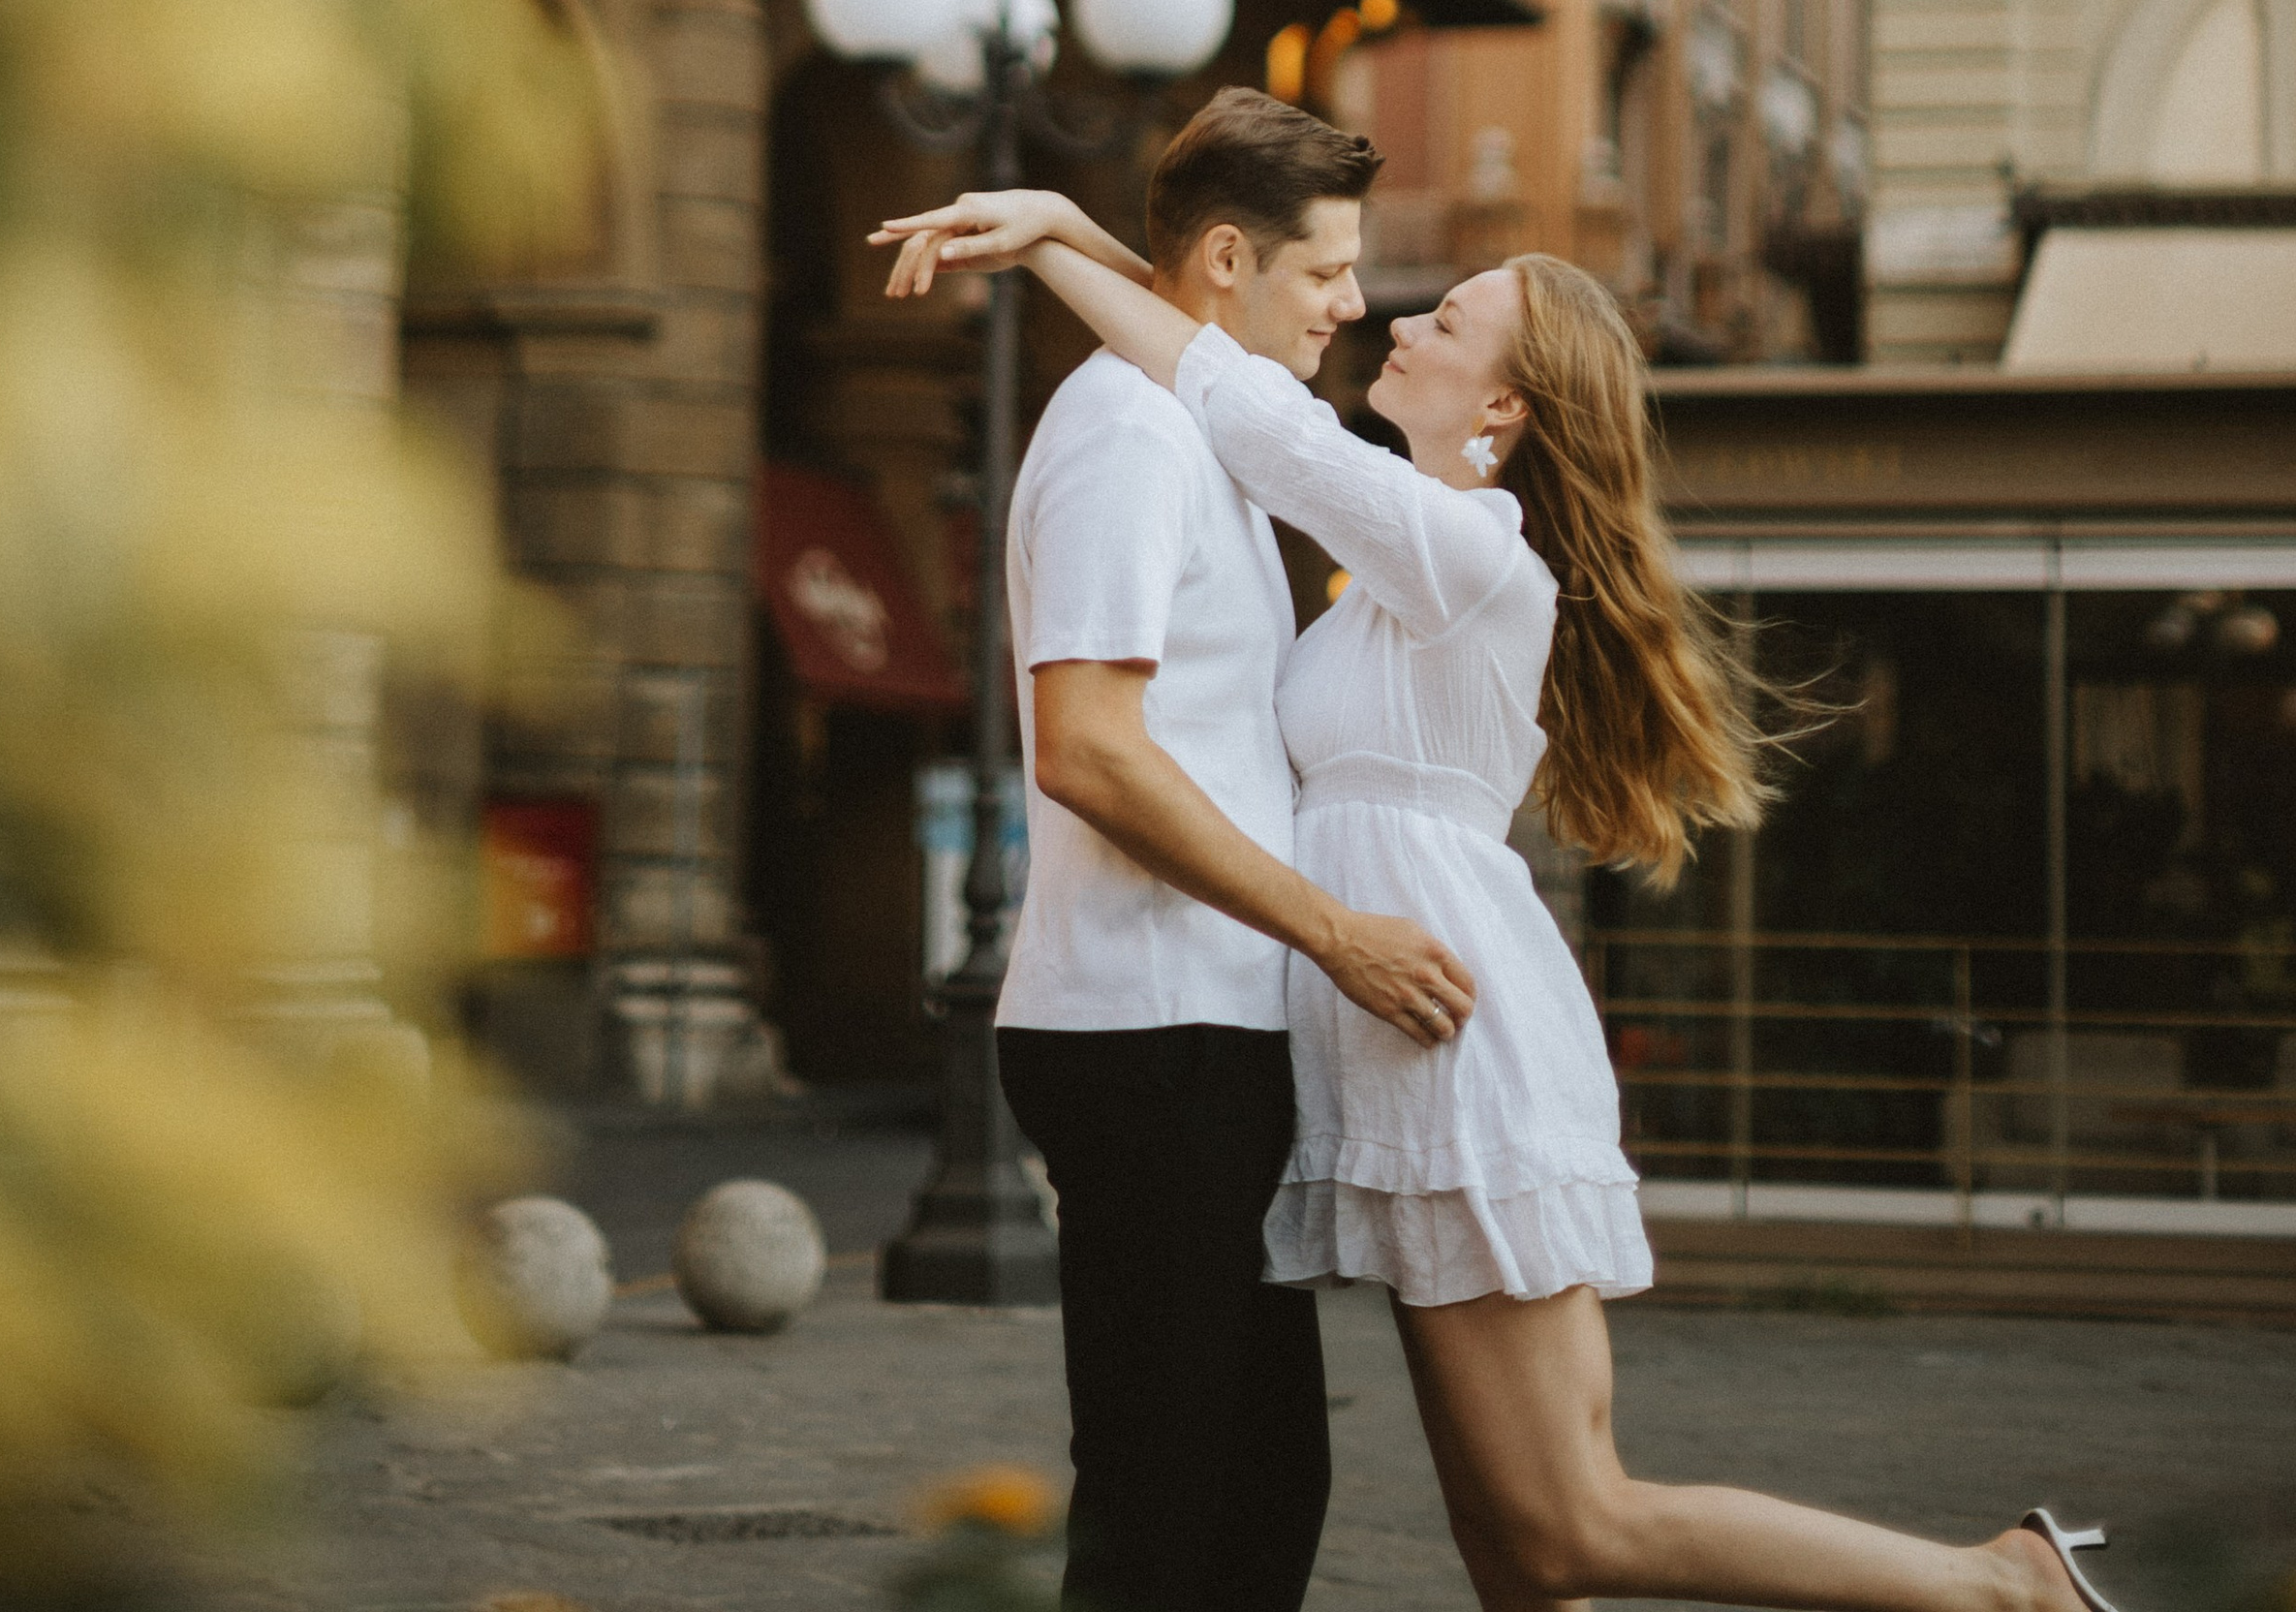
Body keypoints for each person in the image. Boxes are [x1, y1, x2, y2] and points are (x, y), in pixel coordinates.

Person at [877, 174, 2124, 1612]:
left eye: (1448, 319)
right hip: (1397, 1032)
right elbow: (1213, 343)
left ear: (1507, 404)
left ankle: (2001, 1584)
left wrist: (1053, 239)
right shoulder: (1403, 548)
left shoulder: (1465, 548)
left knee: (1571, 1520)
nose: (1395, 318)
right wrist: (1066, 231)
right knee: (1518, 1546)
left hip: (1449, 1036)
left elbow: (1236, 392)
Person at [918, 90, 1474, 1612]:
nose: (1351, 304)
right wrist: (1334, 931)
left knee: (1263, 1483)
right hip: (1146, 1032)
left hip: (1205, 1030)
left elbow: (1182, 312)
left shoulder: (1202, 409)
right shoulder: (1127, 438)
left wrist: (1060, 230)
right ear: (1231, 260)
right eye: (1328, 272)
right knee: (1168, 1502)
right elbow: (1089, 748)